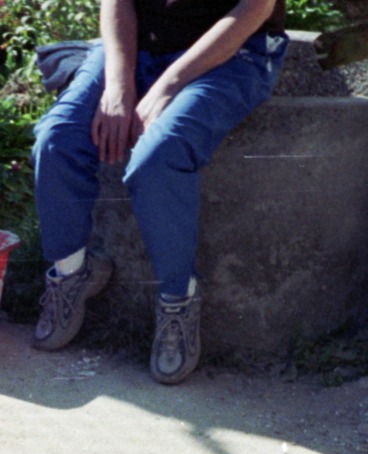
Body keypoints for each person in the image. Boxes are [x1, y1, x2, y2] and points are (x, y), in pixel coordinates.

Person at [30, 0, 288, 383]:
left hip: (234, 54)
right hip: (144, 44)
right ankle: (72, 272)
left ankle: (178, 300)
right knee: (57, 140)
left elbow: (253, 10)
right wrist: (119, 84)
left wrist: (168, 85)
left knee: (158, 159)